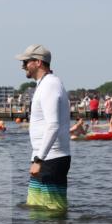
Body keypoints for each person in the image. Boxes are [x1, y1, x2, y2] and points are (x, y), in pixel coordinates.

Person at [15, 44, 70, 212]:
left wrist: (39, 160)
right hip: (44, 157)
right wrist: (37, 159)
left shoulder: (50, 85)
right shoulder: (44, 84)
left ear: (38, 62)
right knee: (36, 209)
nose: (22, 66)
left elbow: (53, 125)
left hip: (50, 159)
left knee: (51, 213)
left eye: (26, 62)